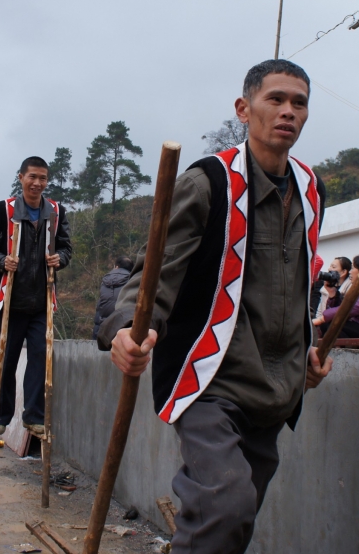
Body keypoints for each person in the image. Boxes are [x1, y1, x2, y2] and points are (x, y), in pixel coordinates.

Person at [99, 59, 332, 554]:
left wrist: (308, 346)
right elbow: (154, 274)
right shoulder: (209, 183)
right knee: (225, 506)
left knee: (233, 526)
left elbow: (297, 283)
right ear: (244, 109)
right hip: (210, 378)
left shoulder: (312, 191)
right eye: (276, 99)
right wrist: (126, 328)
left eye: (299, 102)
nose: (288, 111)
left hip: (276, 389)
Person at [0, 157, 73, 437]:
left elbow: (67, 247)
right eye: (32, 177)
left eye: (43, 178)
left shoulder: (55, 211)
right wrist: (1, 261)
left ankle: (34, 415)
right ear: (20, 177)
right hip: (9, 301)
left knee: (41, 358)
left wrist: (61, 258)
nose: (37, 183)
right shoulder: (3, 210)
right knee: (4, 361)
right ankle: (0, 415)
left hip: (41, 302)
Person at [92, 256, 133, 339]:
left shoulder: (105, 280)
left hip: (102, 329)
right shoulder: (132, 281)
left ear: (116, 267)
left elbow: (100, 307)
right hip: (123, 330)